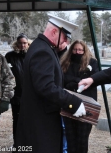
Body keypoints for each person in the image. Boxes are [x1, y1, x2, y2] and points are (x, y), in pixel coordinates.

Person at [16, 14, 86, 153]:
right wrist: (73, 103)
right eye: (65, 37)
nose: (65, 42)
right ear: (54, 32)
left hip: (39, 119)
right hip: (40, 122)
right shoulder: (43, 51)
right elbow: (46, 86)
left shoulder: (42, 46)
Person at [60, 40, 99, 153]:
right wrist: (77, 81)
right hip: (69, 102)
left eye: (80, 50)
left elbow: (95, 79)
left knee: (82, 138)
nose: (77, 52)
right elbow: (63, 79)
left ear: (85, 50)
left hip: (87, 104)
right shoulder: (65, 62)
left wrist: (74, 82)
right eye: (75, 49)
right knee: (70, 136)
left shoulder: (92, 62)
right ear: (71, 49)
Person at [5, 33, 31, 149]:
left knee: (30, 121)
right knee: (17, 120)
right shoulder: (10, 56)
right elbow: (6, 74)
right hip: (16, 94)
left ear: (28, 43)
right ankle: (17, 145)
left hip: (30, 95)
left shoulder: (32, 55)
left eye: (24, 43)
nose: (22, 45)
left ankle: (29, 145)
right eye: (20, 43)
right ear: (16, 43)